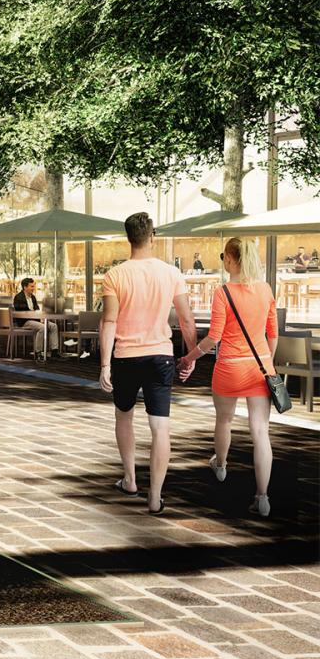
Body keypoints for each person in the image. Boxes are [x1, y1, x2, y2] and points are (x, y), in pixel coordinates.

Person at [98, 212, 197, 517]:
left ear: (128, 238)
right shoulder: (171, 273)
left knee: (124, 418)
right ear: (152, 236)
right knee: (160, 427)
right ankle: (155, 497)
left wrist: (104, 364)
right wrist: (190, 355)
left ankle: (130, 480)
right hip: (161, 356)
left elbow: (109, 321)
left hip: (126, 357)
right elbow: (186, 318)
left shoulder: (115, 275)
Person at [179, 238, 276, 517]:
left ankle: (220, 465)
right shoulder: (266, 289)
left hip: (229, 367)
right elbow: (273, 334)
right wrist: (267, 363)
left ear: (231, 260)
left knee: (224, 420)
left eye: (224, 256)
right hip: (259, 368)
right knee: (260, 432)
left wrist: (190, 357)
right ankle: (263, 496)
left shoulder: (223, 293)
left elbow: (214, 337)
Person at [12, 277, 53, 356]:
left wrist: (39, 318)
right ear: (25, 287)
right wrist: (38, 319)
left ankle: (54, 351)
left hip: (35, 320)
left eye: (34, 286)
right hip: (24, 322)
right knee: (42, 328)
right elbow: (23, 312)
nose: (34, 288)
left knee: (53, 326)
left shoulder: (33, 297)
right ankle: (38, 352)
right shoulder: (18, 297)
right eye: (32, 286)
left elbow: (36, 308)